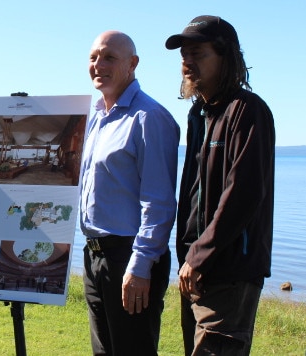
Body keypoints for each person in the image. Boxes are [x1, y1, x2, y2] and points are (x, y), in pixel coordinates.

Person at [165, 15, 275, 355]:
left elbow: (243, 193)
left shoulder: (247, 111)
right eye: (184, 55)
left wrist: (199, 256)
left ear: (225, 56)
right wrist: (189, 257)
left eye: (197, 53)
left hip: (228, 271)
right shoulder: (198, 114)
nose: (187, 62)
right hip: (194, 269)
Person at [79, 30, 180, 355]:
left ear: (132, 64)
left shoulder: (149, 118)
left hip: (129, 257)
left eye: (109, 57)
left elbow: (159, 203)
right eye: (94, 57)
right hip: (95, 255)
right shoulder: (97, 119)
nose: (99, 64)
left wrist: (139, 267)